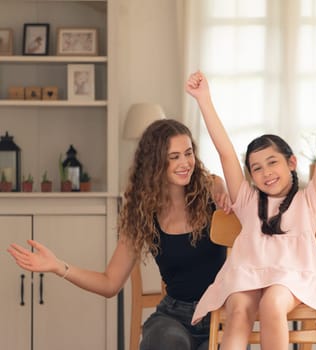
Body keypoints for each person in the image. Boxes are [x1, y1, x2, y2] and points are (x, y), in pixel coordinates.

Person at [185, 67, 316, 350]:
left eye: (273, 162)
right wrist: (203, 99)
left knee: (272, 302)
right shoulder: (247, 201)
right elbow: (225, 153)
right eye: (256, 168)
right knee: (237, 310)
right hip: (247, 274)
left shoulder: (309, 201)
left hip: (292, 278)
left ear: (291, 163)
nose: (266, 172)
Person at [7, 119, 231, 350]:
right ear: (155, 163)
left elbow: (231, 192)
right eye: (174, 157)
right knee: (166, 341)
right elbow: (109, 283)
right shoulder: (143, 214)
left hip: (222, 314)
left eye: (188, 153)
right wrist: (58, 266)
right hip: (174, 317)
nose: (185, 163)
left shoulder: (211, 191)